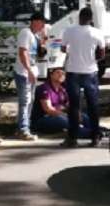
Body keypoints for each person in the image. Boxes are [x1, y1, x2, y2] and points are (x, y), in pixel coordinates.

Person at [60, 7, 105, 147]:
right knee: (93, 106)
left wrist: (72, 51)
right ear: (91, 19)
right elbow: (102, 53)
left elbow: (63, 48)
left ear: (79, 18)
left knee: (74, 106)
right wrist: (92, 59)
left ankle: (72, 138)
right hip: (90, 72)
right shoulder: (97, 33)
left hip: (73, 71)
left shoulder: (69, 31)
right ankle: (95, 137)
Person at [31, 67, 91, 138]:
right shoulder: (44, 88)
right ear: (51, 75)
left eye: (63, 74)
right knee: (64, 120)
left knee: (83, 116)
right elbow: (48, 109)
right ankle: (90, 134)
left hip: (59, 115)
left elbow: (69, 106)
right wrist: (66, 115)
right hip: (43, 119)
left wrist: (76, 113)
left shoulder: (63, 89)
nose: (61, 75)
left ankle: (97, 129)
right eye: (58, 72)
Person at [14, 12, 46, 141]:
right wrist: (29, 70)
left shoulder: (35, 35)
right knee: (25, 101)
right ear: (35, 21)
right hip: (23, 72)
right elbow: (23, 52)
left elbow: (40, 55)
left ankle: (25, 126)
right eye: (41, 22)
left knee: (30, 100)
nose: (43, 25)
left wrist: (43, 42)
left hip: (32, 70)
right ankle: (23, 129)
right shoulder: (25, 33)